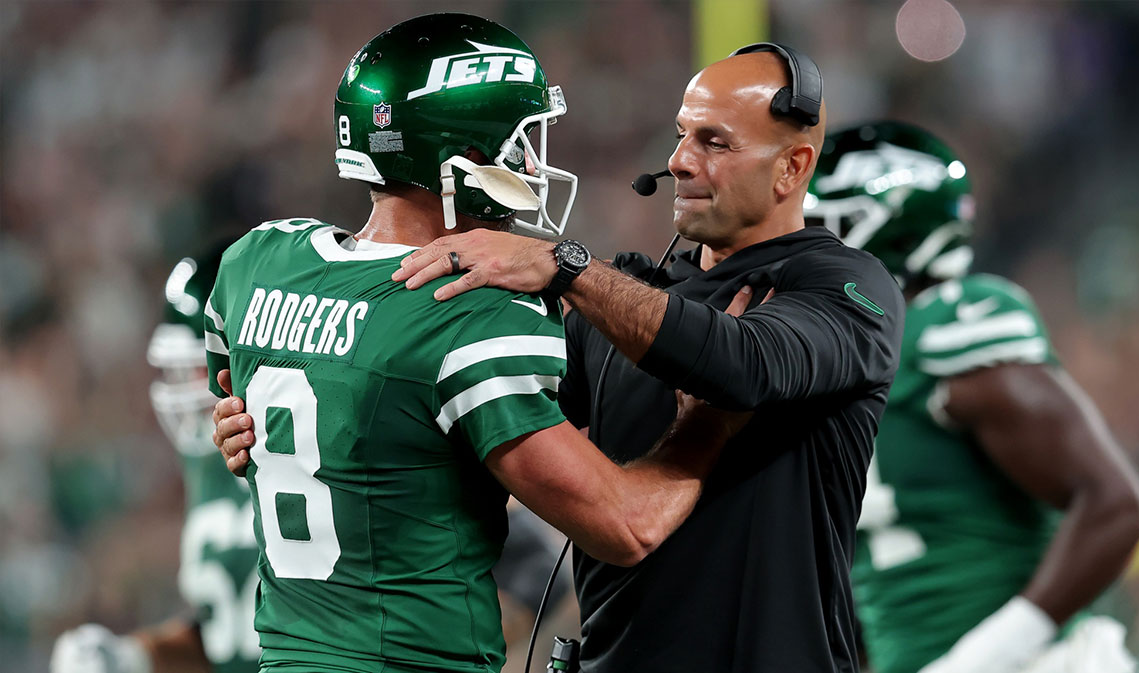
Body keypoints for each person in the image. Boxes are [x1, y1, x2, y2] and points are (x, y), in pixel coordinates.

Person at [204, 13, 748, 673]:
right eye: (524, 141)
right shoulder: (468, 312)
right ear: (460, 159)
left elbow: (245, 409)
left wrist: (236, 434)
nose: (536, 161)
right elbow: (627, 525)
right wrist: (709, 422)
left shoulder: (257, 262)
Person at [383, 46, 906, 672]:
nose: (679, 161)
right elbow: (471, 414)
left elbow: (743, 365)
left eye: (715, 142)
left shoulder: (845, 286)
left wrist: (563, 265)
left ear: (792, 167)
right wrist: (282, 427)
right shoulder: (629, 297)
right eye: (683, 135)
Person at [805, 121, 1139, 673]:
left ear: (889, 231)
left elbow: (1116, 506)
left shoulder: (949, 328)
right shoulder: (840, 370)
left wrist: (983, 658)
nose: (801, 252)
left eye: (822, 229)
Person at [51, 244, 261, 673]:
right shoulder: (208, 461)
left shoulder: (307, 451)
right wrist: (133, 657)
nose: (182, 386)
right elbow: (225, 635)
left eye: (196, 367)